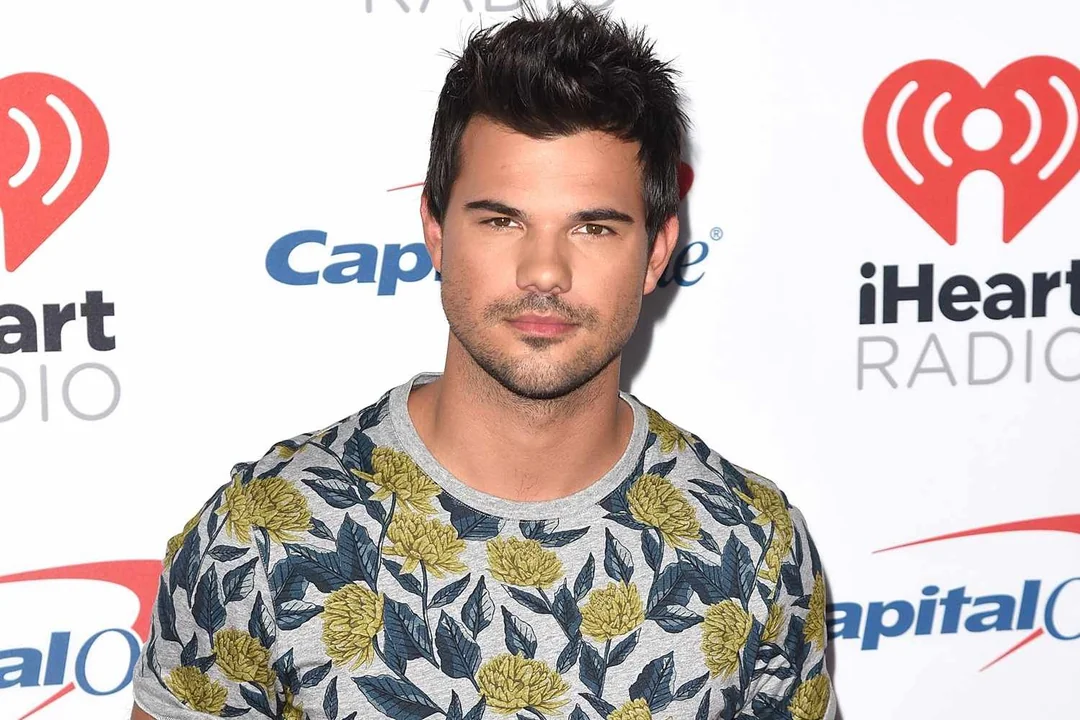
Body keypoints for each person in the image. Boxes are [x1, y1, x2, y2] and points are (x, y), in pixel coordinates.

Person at [130, 4, 836, 719]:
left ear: (656, 251)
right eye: (502, 220)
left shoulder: (750, 546)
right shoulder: (262, 535)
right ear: (435, 231)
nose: (544, 271)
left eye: (593, 227)